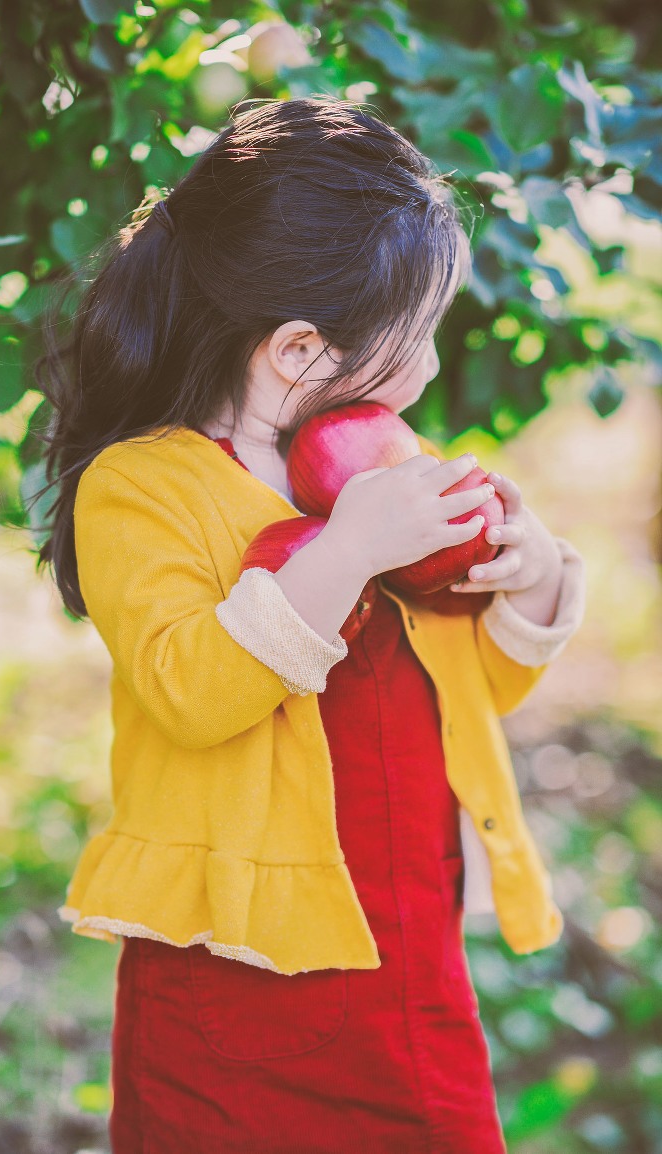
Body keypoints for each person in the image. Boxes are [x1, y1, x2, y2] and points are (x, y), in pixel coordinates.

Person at [33, 98, 587, 1153]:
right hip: (232, 980)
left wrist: (532, 579)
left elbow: (467, 689)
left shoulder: (380, 457)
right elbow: (192, 691)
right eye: (415, 339)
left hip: (405, 958)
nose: (430, 371)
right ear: (298, 349)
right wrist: (347, 551)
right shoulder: (144, 489)